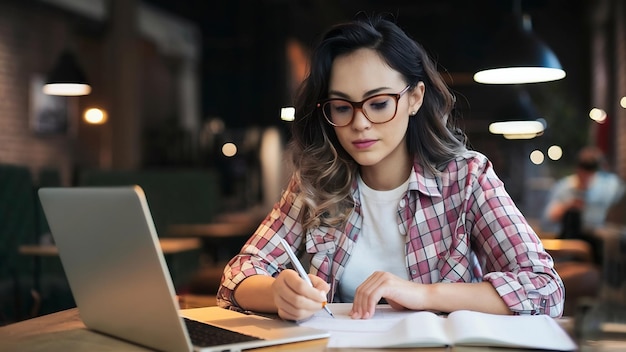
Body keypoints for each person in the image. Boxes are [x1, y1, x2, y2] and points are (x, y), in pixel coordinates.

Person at [217, 15, 564, 321]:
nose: (360, 123)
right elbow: (238, 274)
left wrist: (423, 294)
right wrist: (277, 293)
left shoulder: (467, 177)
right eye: (341, 107)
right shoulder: (315, 182)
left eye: (379, 103)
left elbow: (545, 289)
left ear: (414, 98)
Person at [543, 146, 625, 262]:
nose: (586, 172)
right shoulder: (565, 187)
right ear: (577, 168)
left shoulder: (605, 186)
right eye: (584, 166)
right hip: (569, 237)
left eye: (591, 167)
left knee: (613, 240)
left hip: (594, 234)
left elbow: (620, 190)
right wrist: (569, 205)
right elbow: (549, 217)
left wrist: (601, 162)